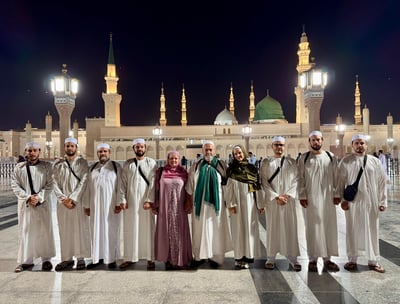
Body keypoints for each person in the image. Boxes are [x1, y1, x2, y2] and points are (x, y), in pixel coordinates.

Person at [337, 134, 387, 273]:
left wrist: (382, 201)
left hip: (371, 202)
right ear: (352, 145)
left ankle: (373, 260)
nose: (360, 145)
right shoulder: (346, 161)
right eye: (357, 143)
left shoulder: (374, 162)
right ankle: (352, 259)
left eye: (362, 143)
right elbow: (340, 182)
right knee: (352, 230)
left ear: (366, 145)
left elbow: (382, 182)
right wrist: (342, 200)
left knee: (372, 230)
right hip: (353, 202)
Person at [297, 130, 341, 272]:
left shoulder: (330, 156)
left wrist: (337, 193)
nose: (316, 142)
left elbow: (337, 177)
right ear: (309, 142)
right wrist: (302, 195)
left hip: (328, 198)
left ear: (322, 140)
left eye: (318, 140)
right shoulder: (304, 158)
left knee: (328, 226)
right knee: (312, 227)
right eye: (313, 140)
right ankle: (313, 259)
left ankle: (328, 259)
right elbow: (300, 178)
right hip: (311, 199)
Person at [185, 140, 232, 268]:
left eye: (211, 149)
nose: (209, 152)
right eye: (206, 150)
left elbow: (227, 185)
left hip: (216, 206)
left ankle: (215, 257)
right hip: (199, 205)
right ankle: (199, 256)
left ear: (215, 150)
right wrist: (188, 201)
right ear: (202, 151)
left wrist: (230, 203)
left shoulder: (221, 166)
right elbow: (190, 185)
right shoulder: (196, 166)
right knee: (199, 230)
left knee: (216, 229)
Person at [11, 142, 55, 272]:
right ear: (25, 152)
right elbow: (15, 185)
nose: (32, 153)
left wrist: (39, 197)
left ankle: (46, 260)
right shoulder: (19, 168)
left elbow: (50, 184)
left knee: (44, 231)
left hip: (43, 204)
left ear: (39, 151)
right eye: (29, 150)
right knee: (26, 231)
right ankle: (26, 260)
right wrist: (28, 197)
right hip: (26, 205)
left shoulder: (46, 167)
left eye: (34, 150)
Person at [260, 136, 301, 271]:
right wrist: (276, 197)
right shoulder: (266, 162)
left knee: (290, 228)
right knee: (273, 228)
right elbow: (264, 182)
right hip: (274, 202)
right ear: (272, 146)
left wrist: (287, 195)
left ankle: (293, 258)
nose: (279, 147)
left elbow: (296, 180)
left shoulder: (292, 162)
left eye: (281, 145)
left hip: (288, 201)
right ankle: (271, 257)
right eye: (276, 145)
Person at [118, 138, 157, 270]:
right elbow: (122, 184)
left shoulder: (152, 163)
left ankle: (150, 259)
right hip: (131, 204)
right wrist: (122, 200)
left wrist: (149, 200)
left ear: (145, 148)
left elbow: (153, 183)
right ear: (133, 148)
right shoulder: (128, 164)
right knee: (130, 230)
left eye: (141, 147)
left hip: (146, 204)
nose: (140, 149)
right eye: (137, 147)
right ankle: (129, 257)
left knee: (148, 230)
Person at [52, 137, 90, 271]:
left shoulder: (82, 163)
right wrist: (63, 199)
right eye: (67, 146)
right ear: (64, 148)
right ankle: (66, 259)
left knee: (79, 229)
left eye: (72, 146)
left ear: (76, 148)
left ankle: (80, 258)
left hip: (77, 203)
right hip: (63, 204)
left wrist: (73, 198)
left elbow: (84, 181)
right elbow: (54, 183)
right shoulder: (58, 165)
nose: (70, 148)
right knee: (65, 230)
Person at [84, 143, 122, 269]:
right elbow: (88, 187)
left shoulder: (116, 167)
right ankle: (98, 258)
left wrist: (119, 203)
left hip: (111, 206)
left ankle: (111, 259)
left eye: (105, 151)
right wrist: (87, 205)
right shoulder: (92, 168)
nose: (102, 154)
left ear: (109, 152)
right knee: (96, 230)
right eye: (100, 152)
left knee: (111, 230)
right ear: (97, 153)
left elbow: (120, 187)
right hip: (95, 206)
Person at [153, 151, 192, 270]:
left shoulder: (184, 173)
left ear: (179, 159)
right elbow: (156, 189)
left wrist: (188, 203)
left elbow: (188, 190)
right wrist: (155, 205)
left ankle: (181, 260)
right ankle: (168, 259)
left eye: (176, 159)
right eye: (171, 159)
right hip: (165, 208)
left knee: (180, 232)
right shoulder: (161, 172)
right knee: (166, 232)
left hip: (179, 208)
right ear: (167, 159)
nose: (173, 161)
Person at [225, 144, 262, 269]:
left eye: (240, 153)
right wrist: (230, 204)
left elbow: (257, 187)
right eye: (236, 154)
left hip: (250, 204)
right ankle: (238, 257)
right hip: (236, 204)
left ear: (244, 153)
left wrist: (260, 204)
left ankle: (247, 256)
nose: (238, 155)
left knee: (249, 229)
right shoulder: (231, 170)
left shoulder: (252, 168)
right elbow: (228, 189)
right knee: (238, 230)